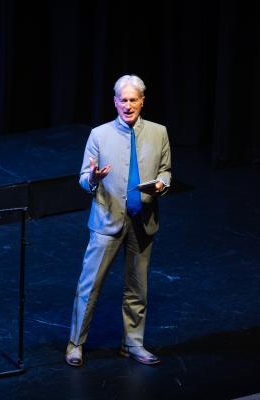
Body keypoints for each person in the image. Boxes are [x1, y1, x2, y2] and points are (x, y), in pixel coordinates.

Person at [65, 74, 171, 367]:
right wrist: (94, 179)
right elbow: (83, 179)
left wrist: (162, 184)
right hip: (107, 221)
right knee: (90, 285)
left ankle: (132, 344)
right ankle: (75, 344)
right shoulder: (99, 135)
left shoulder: (159, 132)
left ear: (142, 101)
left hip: (143, 220)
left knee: (138, 288)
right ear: (115, 102)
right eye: (122, 100)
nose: (127, 105)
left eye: (133, 100)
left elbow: (166, 171)